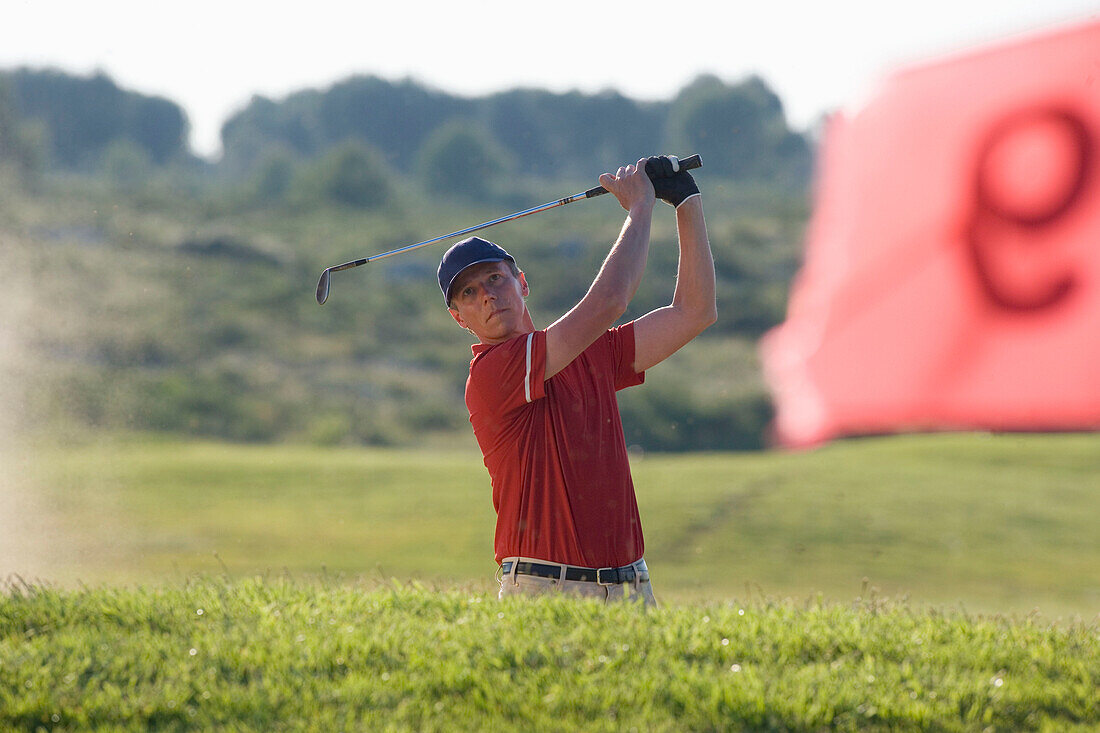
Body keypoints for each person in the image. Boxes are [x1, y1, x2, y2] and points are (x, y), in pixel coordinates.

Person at [437, 156, 715, 606]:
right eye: (468, 293)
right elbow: (609, 300)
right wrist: (640, 207)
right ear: (459, 318)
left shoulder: (590, 352)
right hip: (544, 585)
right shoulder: (491, 372)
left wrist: (686, 203)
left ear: (521, 283)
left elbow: (694, 312)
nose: (487, 294)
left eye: (495, 278)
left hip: (630, 584)